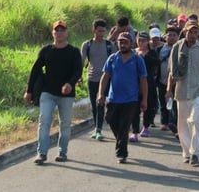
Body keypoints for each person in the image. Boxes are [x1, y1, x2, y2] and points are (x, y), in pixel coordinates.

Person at [24, 20, 83, 165]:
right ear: (53, 33)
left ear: (67, 33)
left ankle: (62, 152)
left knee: (65, 123)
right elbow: (35, 70)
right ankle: (42, 153)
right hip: (48, 92)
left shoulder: (74, 52)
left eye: (62, 30)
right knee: (44, 121)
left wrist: (70, 83)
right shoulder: (46, 51)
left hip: (66, 94)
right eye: (57, 30)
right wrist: (29, 91)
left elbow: (78, 71)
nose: (60, 33)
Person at [166, 20, 199, 166]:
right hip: (182, 91)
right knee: (182, 125)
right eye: (190, 32)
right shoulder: (177, 48)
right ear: (185, 32)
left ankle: (195, 152)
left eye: (195, 32)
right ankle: (186, 152)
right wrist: (169, 90)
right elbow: (172, 72)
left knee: (196, 120)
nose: (193, 35)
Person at [97, 32, 148, 164]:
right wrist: (101, 93)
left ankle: (122, 153)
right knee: (110, 120)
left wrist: (144, 99)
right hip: (113, 99)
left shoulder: (137, 59)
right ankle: (121, 139)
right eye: (120, 42)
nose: (123, 44)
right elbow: (105, 77)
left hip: (131, 99)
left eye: (125, 42)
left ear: (131, 43)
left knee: (124, 125)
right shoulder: (112, 59)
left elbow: (143, 80)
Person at [80, 19, 116, 141]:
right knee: (94, 105)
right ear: (93, 30)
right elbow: (81, 61)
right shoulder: (87, 44)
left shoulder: (109, 45)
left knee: (100, 103)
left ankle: (99, 129)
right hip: (91, 78)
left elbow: (115, 61)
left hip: (106, 78)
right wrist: (78, 76)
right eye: (99, 31)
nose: (101, 33)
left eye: (103, 31)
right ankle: (97, 127)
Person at [129, 32, 160, 142]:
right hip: (134, 84)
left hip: (148, 83)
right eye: (139, 40)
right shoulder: (132, 53)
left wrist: (145, 57)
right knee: (134, 108)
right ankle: (134, 132)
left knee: (148, 106)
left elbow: (157, 63)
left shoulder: (152, 53)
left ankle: (146, 127)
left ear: (148, 41)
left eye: (143, 40)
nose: (141, 42)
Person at [156, 27, 180, 135]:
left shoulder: (181, 49)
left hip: (176, 81)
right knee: (162, 101)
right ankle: (164, 122)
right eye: (169, 35)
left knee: (175, 103)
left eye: (174, 35)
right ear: (165, 37)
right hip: (162, 80)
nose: (171, 37)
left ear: (178, 37)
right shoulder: (160, 49)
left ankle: (174, 122)